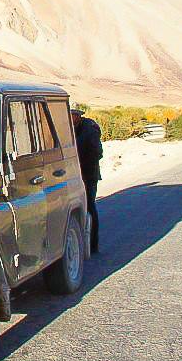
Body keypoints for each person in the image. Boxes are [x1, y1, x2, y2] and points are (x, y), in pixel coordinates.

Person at [71, 108, 102, 253]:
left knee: (89, 206)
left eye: (74, 115)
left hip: (89, 175)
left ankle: (93, 243)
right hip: (75, 174)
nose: (71, 117)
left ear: (78, 115)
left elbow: (97, 152)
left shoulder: (90, 128)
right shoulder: (70, 128)